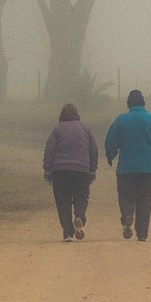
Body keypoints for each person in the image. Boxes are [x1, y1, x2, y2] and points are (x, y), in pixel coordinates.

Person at [104, 89, 151, 242]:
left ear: (128, 104)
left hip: (126, 169)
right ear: (144, 103)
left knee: (126, 196)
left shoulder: (121, 120)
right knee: (145, 200)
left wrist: (110, 155)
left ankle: (127, 215)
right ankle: (142, 234)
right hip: (148, 169)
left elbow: (111, 140)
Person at [43, 103, 99, 242]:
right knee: (81, 196)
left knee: (63, 201)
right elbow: (94, 149)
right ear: (76, 114)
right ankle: (79, 216)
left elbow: (49, 149)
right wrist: (92, 169)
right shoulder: (86, 129)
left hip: (60, 171)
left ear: (62, 115)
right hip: (81, 170)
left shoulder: (57, 129)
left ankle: (68, 232)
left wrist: (47, 169)